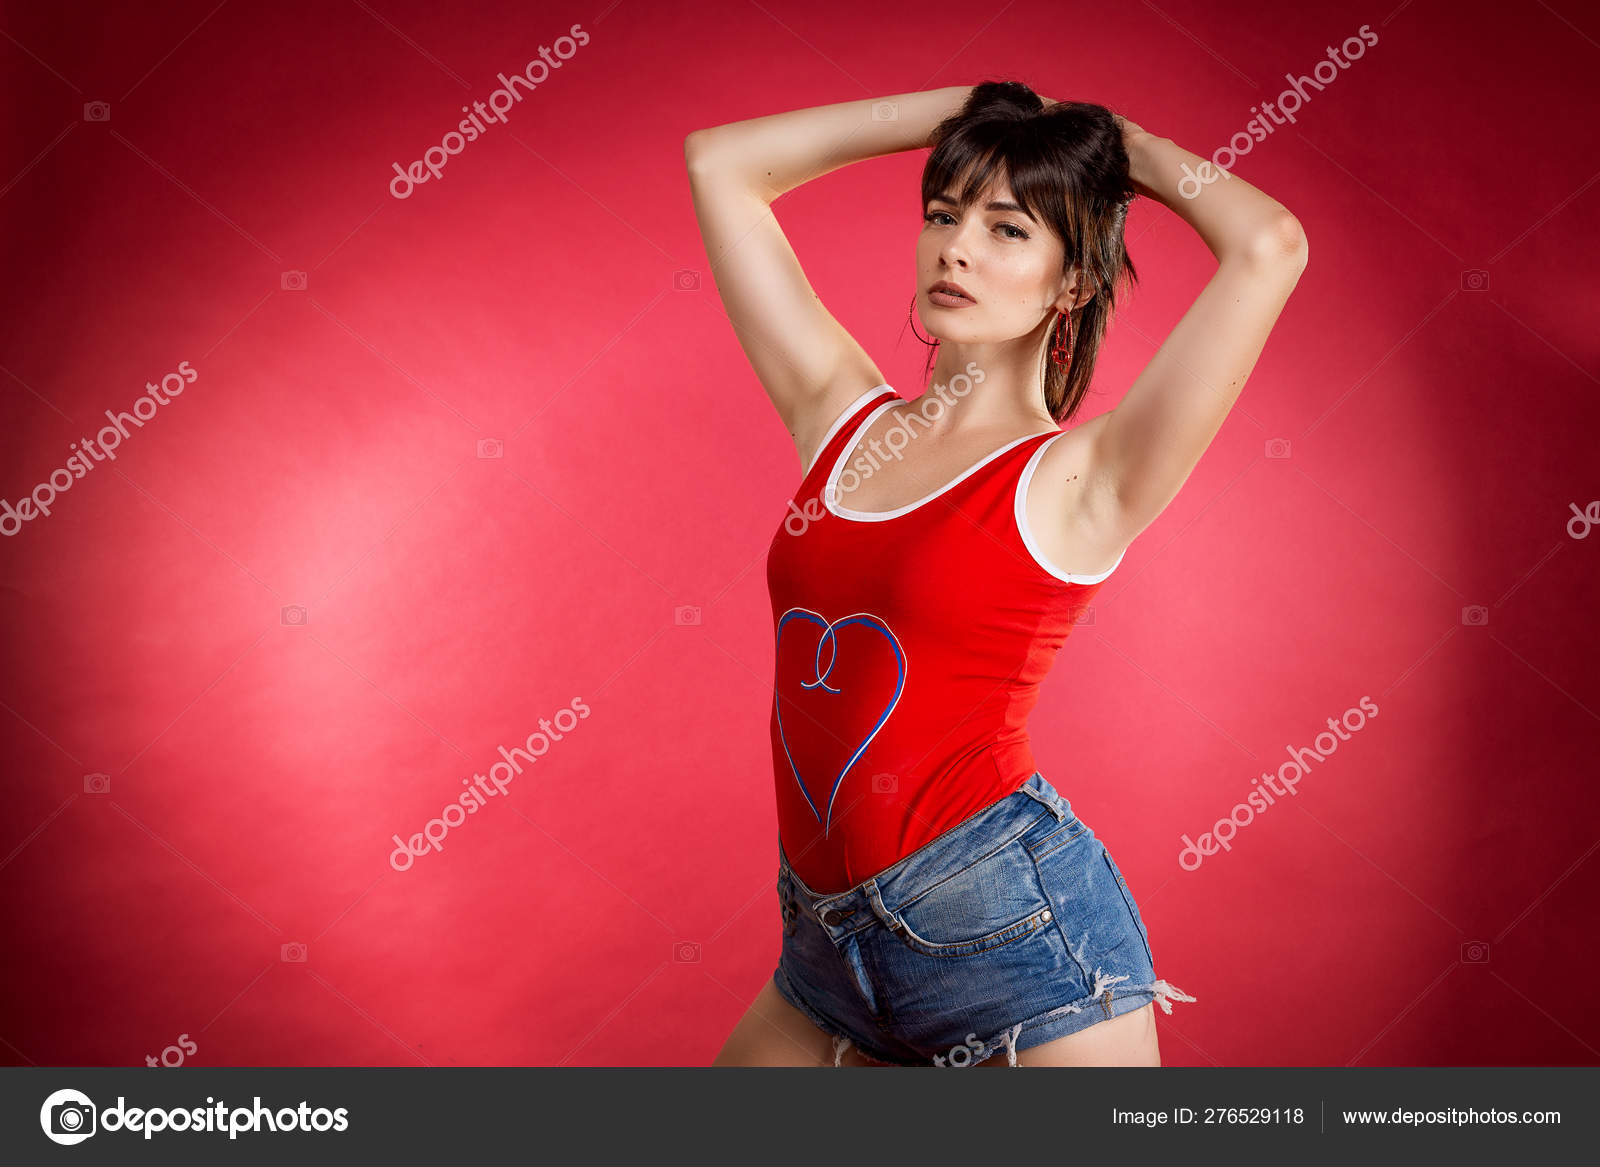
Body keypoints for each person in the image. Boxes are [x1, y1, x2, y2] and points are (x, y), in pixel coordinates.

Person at [686, 81, 1307, 1067]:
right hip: (822, 949)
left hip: (1017, 944)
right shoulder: (837, 416)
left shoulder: (1080, 479)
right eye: (942, 216)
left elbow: (1269, 244)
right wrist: (974, 111)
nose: (956, 248)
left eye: (1007, 229)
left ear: (1072, 283)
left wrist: (1114, 145)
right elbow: (719, 165)